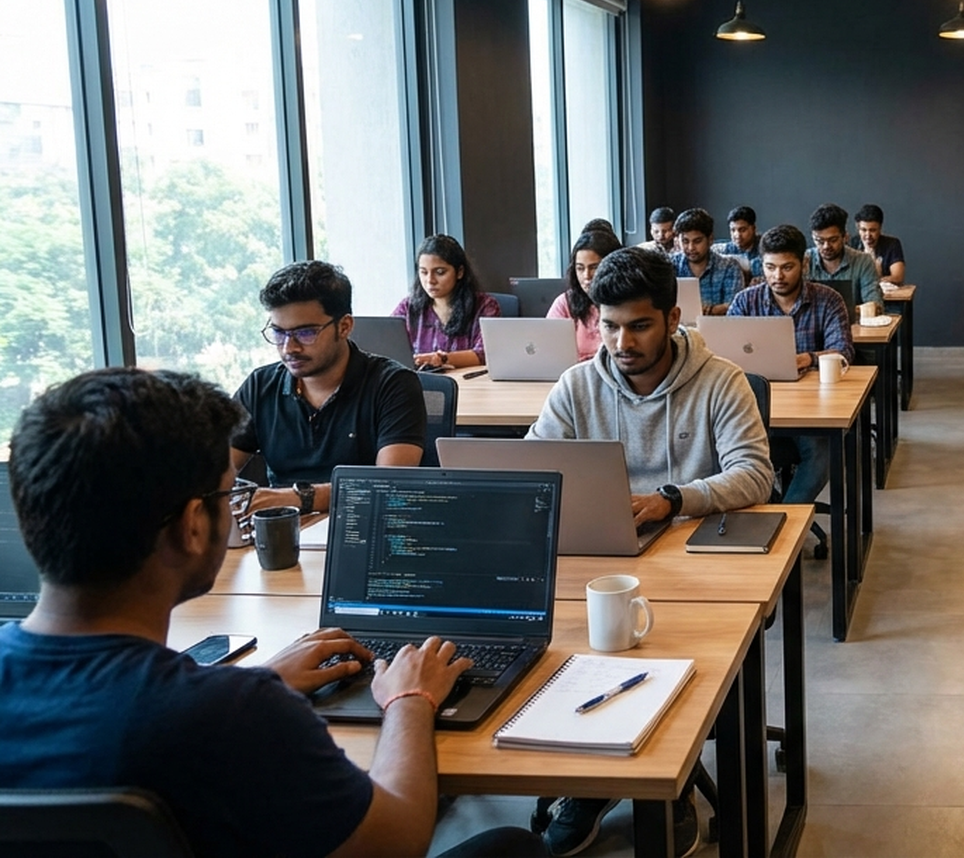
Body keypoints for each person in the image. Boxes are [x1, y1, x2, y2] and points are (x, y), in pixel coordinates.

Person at [0, 368, 543, 858]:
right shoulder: (234, 714)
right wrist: (410, 699)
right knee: (513, 848)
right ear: (193, 524)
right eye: (227, 494)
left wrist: (259, 679)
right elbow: (396, 840)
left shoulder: (226, 704)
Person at [527, 246, 773, 856]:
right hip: (599, 561)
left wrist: (672, 497)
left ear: (671, 317)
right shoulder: (577, 385)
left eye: (639, 325)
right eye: (609, 325)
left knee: (672, 656)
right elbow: (532, 467)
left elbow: (755, 475)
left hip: (695, 565)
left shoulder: (720, 380)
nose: (621, 341)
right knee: (558, 650)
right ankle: (589, 782)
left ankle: (673, 781)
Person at [230, 261, 426, 514]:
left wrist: (293, 498)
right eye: (278, 333)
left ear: (344, 326)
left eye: (306, 333)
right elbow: (212, 471)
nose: (289, 348)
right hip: (282, 535)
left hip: (363, 530)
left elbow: (387, 487)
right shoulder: (260, 385)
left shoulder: (393, 384)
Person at [729, 224, 853, 509]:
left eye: (787, 267)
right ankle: (758, 509)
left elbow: (844, 350)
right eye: (770, 267)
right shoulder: (746, 301)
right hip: (752, 404)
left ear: (804, 263)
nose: (778, 276)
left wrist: (808, 358)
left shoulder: (828, 300)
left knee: (822, 453)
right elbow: (723, 355)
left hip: (808, 407)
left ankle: (783, 519)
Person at [391, 234, 501, 369]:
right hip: (418, 384)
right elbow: (389, 347)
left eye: (440, 272)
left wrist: (441, 359)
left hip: (468, 384)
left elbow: (485, 354)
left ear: (459, 272)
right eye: (424, 272)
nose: (430, 280)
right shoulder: (408, 308)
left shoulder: (484, 306)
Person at [547, 224, 623, 362]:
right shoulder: (565, 303)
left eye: (594, 267)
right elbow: (547, 349)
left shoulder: (627, 302)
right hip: (575, 376)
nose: (586, 275)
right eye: (580, 268)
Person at [669, 208, 748, 316]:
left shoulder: (729, 266)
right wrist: (716, 309)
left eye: (697, 241)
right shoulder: (670, 265)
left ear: (710, 239)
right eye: (685, 241)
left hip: (718, 328)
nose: (691, 248)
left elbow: (735, 307)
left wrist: (707, 310)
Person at [806, 203, 883, 306]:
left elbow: (874, 305)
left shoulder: (863, 261)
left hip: (853, 322)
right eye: (819, 241)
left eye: (833, 240)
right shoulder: (805, 260)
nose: (826, 246)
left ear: (845, 237)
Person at [853, 203, 907, 285]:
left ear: (880, 228)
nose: (868, 235)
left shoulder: (892, 244)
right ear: (858, 228)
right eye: (863, 230)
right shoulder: (852, 243)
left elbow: (898, 277)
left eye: (872, 230)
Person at [714, 204, 762, 279]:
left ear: (753, 228)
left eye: (742, 230)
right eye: (733, 230)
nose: (737, 235)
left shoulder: (765, 246)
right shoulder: (727, 248)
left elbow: (763, 267)